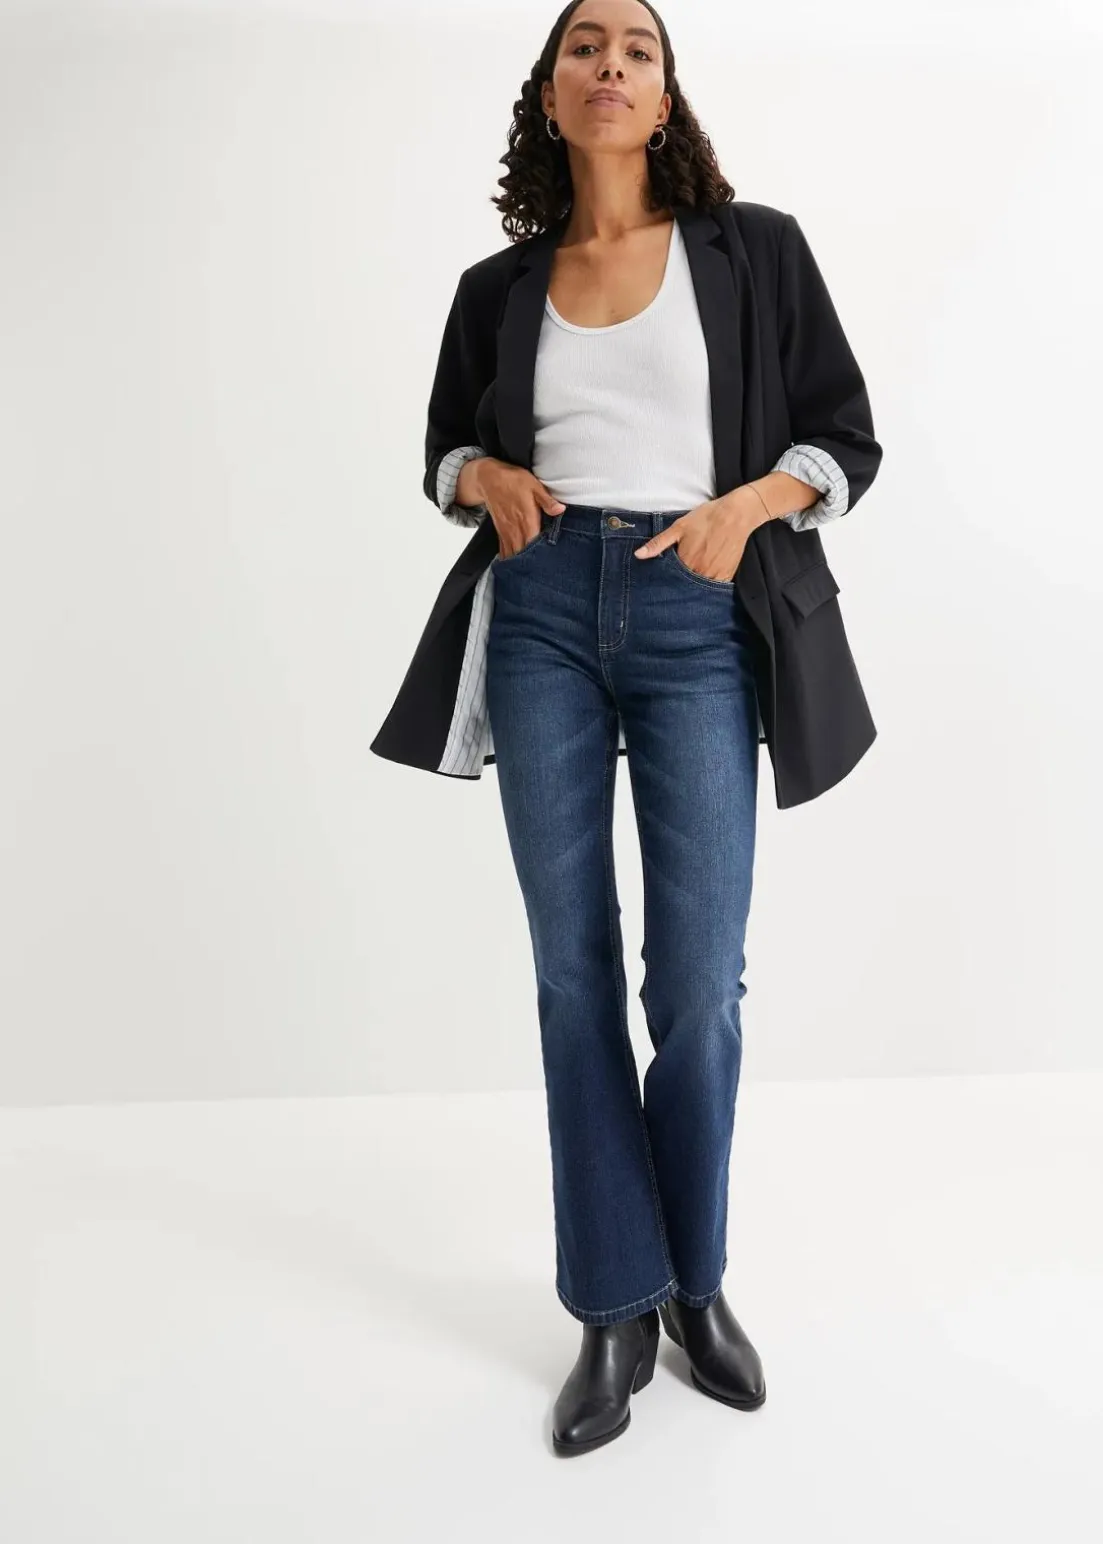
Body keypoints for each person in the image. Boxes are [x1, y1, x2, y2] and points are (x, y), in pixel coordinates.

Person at [371, 0, 882, 1456]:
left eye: (637, 49)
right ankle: (612, 1303)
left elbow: (844, 438)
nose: (610, 64)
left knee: (699, 983)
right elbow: (441, 451)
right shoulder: (498, 285)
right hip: (539, 610)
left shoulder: (753, 250)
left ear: (666, 97)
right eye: (584, 47)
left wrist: (747, 507)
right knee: (572, 973)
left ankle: (693, 1283)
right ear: (550, 94)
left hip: (696, 612)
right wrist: (482, 478)